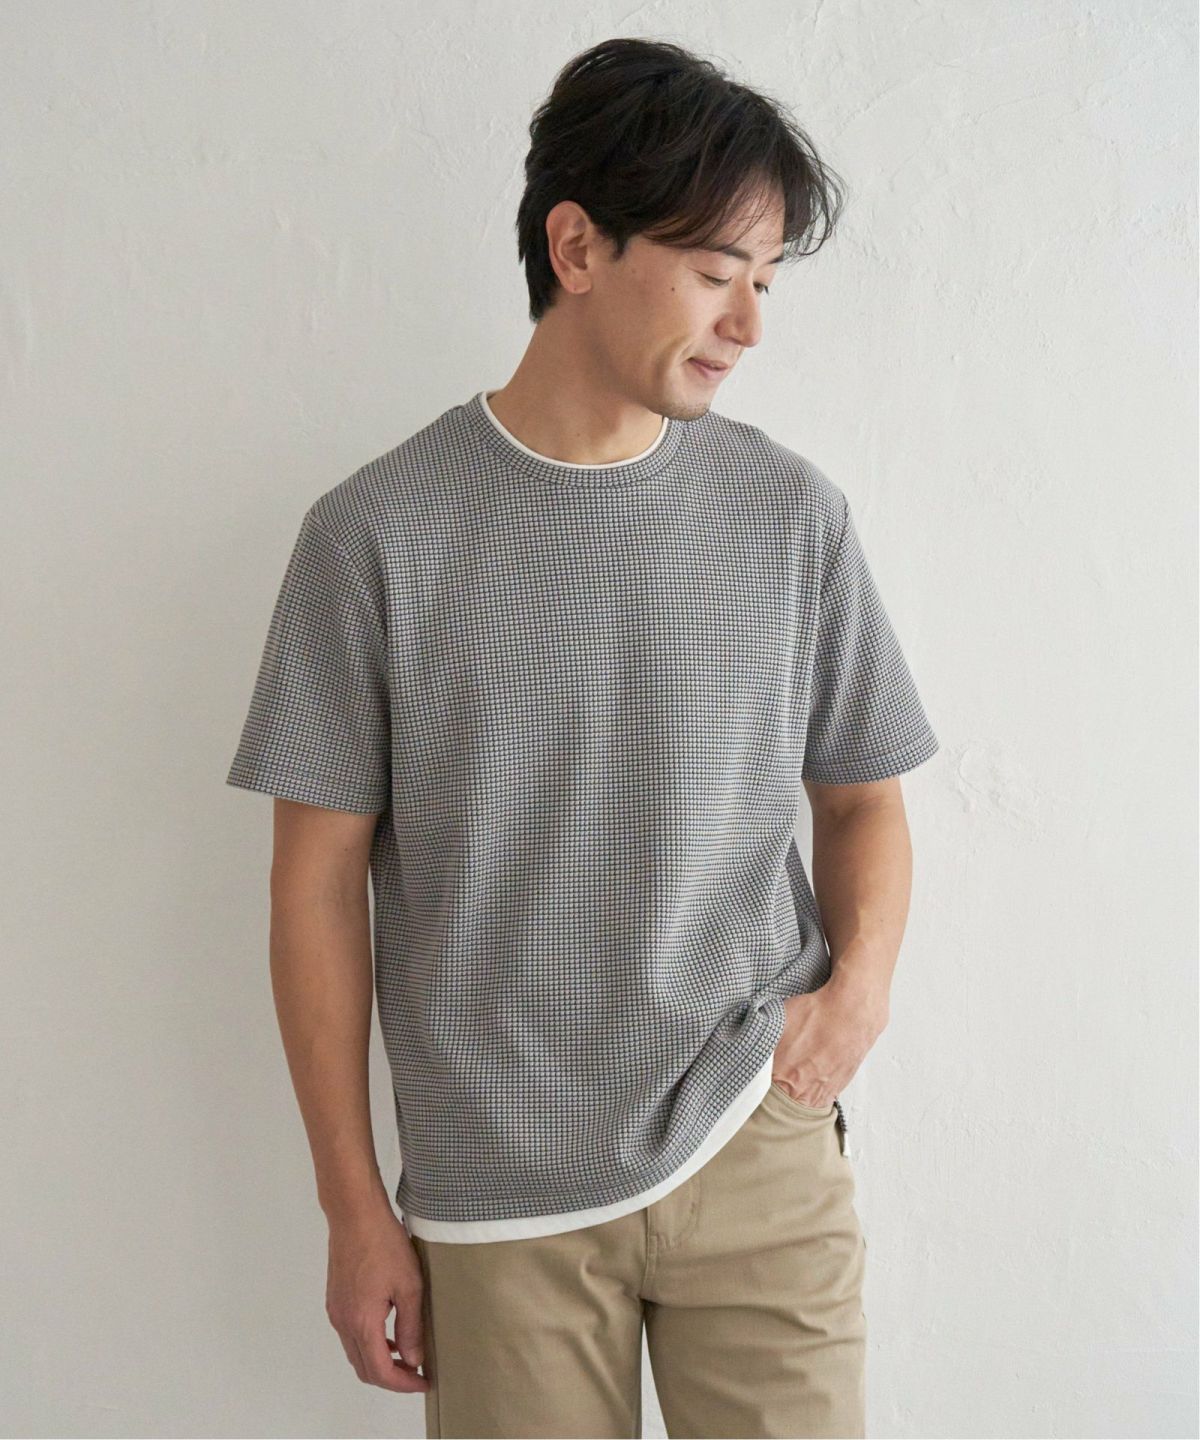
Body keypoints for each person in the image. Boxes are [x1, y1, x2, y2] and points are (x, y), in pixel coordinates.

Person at [226, 36, 939, 1440]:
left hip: (753, 1134)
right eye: (718, 272)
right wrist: (354, 1209)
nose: (748, 323)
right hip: (502, 1187)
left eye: (766, 281)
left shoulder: (790, 516)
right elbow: (314, 888)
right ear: (577, 247)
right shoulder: (373, 535)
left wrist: (855, 1001)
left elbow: (865, 797)